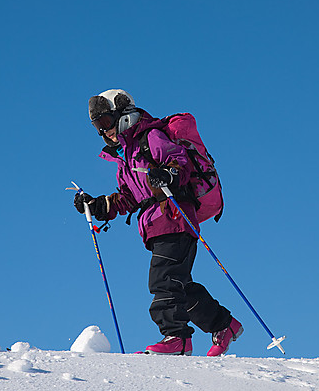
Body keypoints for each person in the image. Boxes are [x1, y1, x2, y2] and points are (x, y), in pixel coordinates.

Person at [74, 89, 242, 356]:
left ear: (123, 114)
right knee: (179, 284)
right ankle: (224, 325)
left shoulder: (150, 137)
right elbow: (129, 197)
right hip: (156, 224)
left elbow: (179, 161)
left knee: (163, 280)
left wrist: (169, 175)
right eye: (97, 127)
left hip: (174, 217)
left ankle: (176, 338)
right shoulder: (125, 160)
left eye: (105, 122)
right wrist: (98, 206)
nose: (103, 132)